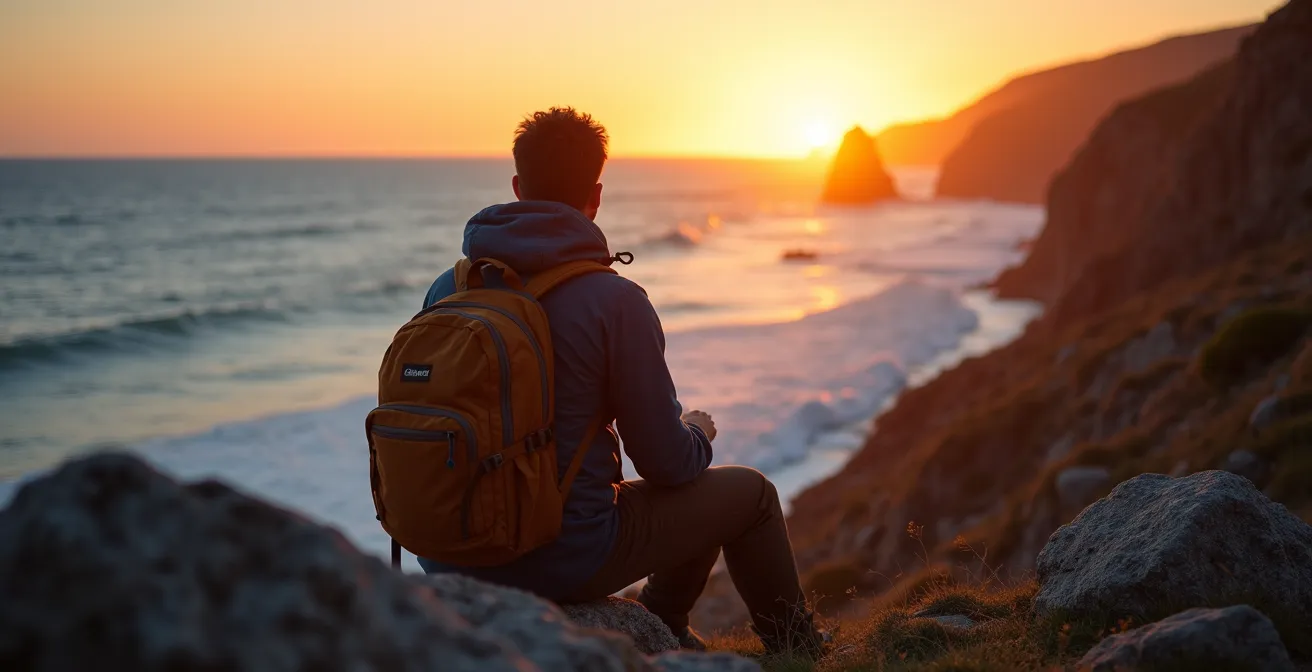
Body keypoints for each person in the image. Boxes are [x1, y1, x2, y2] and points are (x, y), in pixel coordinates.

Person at [419, 107, 825, 657]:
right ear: (597, 193)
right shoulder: (613, 301)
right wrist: (697, 431)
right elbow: (665, 463)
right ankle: (796, 654)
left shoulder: (451, 286)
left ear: (517, 187)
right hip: (562, 557)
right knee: (749, 493)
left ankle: (664, 632)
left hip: (449, 554)